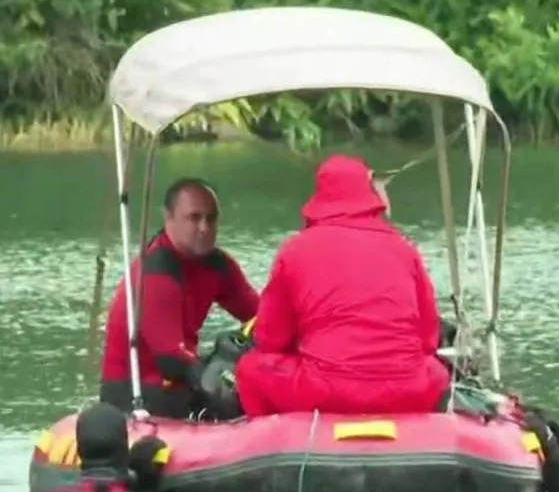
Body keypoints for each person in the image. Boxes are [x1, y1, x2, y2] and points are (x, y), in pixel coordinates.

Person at [234, 154, 450, 416]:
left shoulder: (294, 251)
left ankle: (268, 444)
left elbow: (269, 340)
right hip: (404, 391)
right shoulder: (405, 250)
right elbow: (428, 340)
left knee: (250, 368)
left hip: (324, 392)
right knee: (437, 372)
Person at [99, 178, 260, 419]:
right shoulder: (156, 271)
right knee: (225, 393)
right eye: (194, 218)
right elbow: (171, 360)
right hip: (135, 388)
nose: (204, 227)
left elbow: (260, 314)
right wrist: (218, 383)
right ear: (169, 218)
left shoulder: (218, 265)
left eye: (211, 218)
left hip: (175, 378)